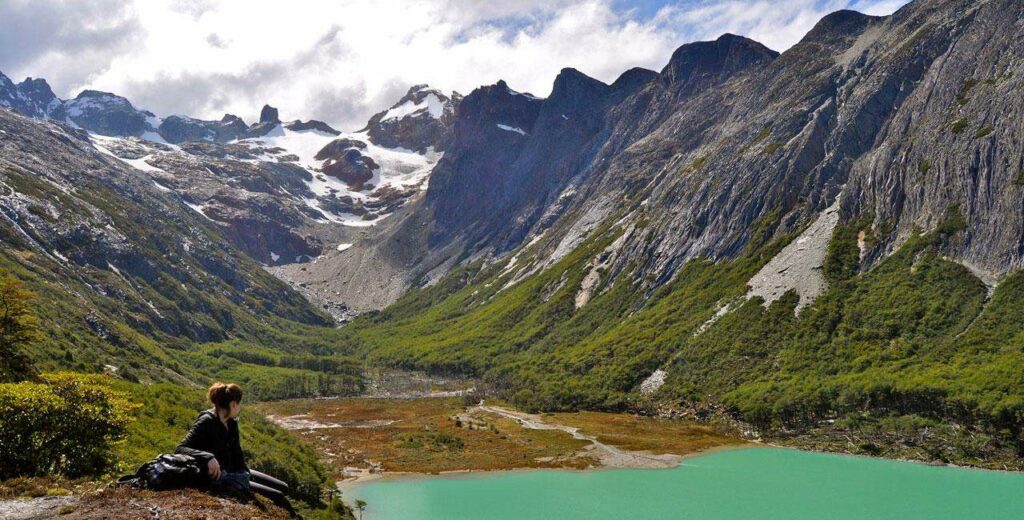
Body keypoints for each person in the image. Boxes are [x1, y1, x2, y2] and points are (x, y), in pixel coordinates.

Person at [176, 382, 293, 512]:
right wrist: (208, 457)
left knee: (284, 487)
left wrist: (246, 474)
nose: (240, 407)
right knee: (278, 496)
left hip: (235, 470)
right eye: (239, 403)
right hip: (221, 475)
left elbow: (237, 452)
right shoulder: (206, 421)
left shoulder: (231, 423)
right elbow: (181, 448)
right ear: (233, 404)